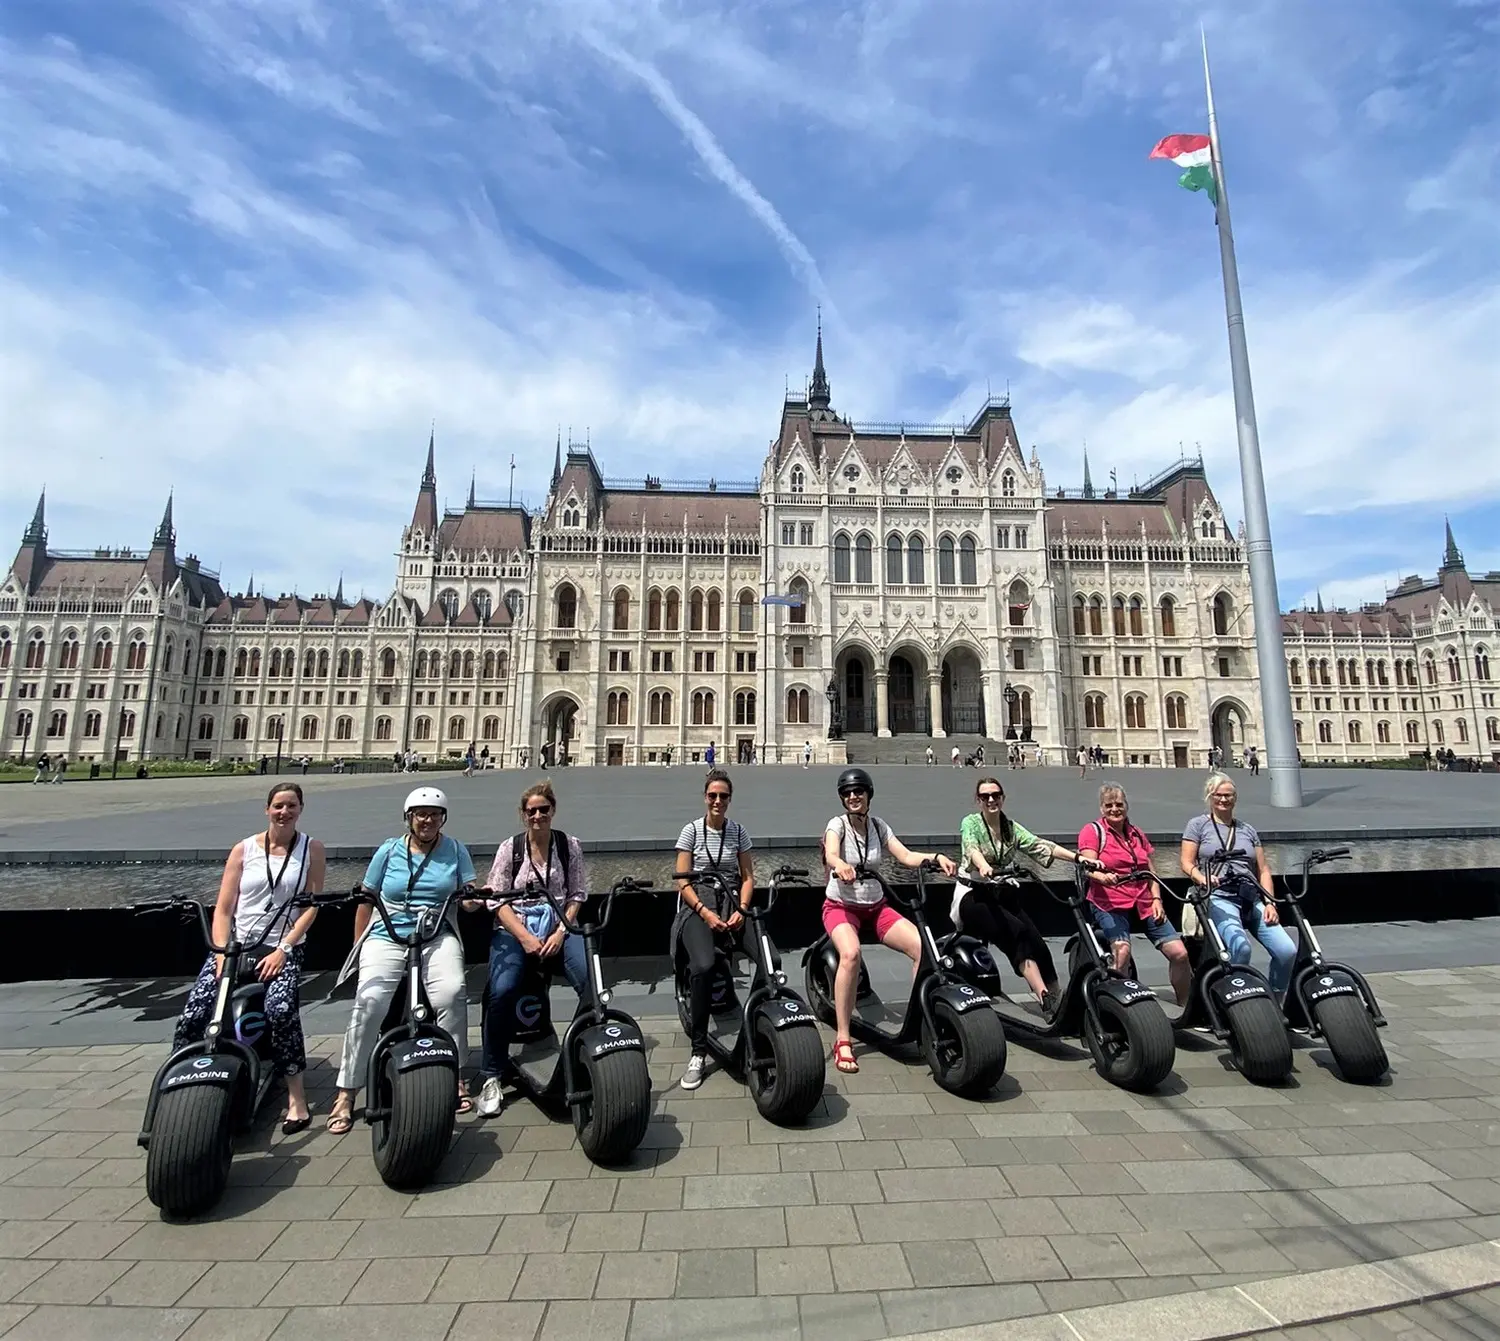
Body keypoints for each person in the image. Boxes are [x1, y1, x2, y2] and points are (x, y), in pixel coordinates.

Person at [173, 783, 325, 1132]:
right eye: (278, 806)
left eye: (291, 806)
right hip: (236, 948)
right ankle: (180, 1085)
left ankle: (296, 1098)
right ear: (267, 809)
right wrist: (221, 953)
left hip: (283, 947)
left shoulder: (311, 849)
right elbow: (224, 909)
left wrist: (284, 949)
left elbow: (311, 907)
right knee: (194, 1013)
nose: (284, 812)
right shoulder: (243, 850)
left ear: (301, 809)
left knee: (281, 1010)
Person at [327, 787, 474, 1134]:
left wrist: (474, 901)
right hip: (387, 935)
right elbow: (367, 899)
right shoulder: (387, 851)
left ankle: (456, 1075)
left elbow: (468, 894)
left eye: (434, 814)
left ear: (443, 819)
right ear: (408, 818)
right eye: (421, 814)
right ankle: (346, 1092)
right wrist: (360, 947)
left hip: (435, 933)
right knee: (369, 1001)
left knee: (452, 993)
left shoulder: (456, 850)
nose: (427, 820)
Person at [822, 767, 956, 1074]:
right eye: (848, 793)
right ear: (842, 798)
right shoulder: (837, 824)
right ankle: (843, 1037)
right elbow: (830, 852)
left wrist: (935, 858)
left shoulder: (879, 826)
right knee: (851, 954)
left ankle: (921, 1017)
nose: (854, 797)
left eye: (859, 792)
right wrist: (840, 863)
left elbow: (906, 856)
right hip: (841, 905)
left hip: (876, 906)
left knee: (924, 948)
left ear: (869, 794)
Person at [474, 781, 589, 1117]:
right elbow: (495, 899)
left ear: (553, 810)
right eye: (532, 811)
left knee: (590, 981)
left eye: (544, 809)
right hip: (515, 927)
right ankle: (492, 1075)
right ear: (523, 815)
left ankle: (578, 1052)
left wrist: (561, 931)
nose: (538, 815)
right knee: (503, 989)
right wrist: (524, 936)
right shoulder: (510, 849)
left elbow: (578, 893)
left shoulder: (569, 846)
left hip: (558, 926)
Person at [955, 777, 1086, 1018]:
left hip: (1001, 893)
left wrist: (1078, 858)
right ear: (978, 801)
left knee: (1037, 941)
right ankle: (1044, 998)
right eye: (985, 796)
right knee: (1017, 933)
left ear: (1002, 798)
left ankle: (1058, 998)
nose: (991, 800)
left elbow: (1040, 845)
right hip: (973, 895)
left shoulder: (1011, 828)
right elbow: (971, 848)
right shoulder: (971, 823)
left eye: (995, 795)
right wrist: (983, 866)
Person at [675, 769, 755, 1089]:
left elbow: (748, 877)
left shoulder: (738, 832)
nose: (718, 801)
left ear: (730, 799)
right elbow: (682, 880)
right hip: (700, 905)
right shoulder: (691, 832)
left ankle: (755, 1025)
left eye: (723, 796)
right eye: (712, 795)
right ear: (705, 798)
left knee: (770, 960)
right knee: (704, 966)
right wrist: (705, 913)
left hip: (733, 903)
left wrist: (743, 910)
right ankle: (698, 1051)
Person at [1180, 772, 1294, 997]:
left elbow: (1263, 869)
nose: (1224, 800)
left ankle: (1276, 997)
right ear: (1210, 797)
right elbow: (1186, 862)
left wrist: (1270, 903)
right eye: (1219, 795)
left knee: (1287, 951)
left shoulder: (1247, 830)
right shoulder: (1198, 825)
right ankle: (1236, 1000)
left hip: (1250, 897)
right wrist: (1203, 879)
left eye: (1229, 795)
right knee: (1240, 949)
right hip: (1219, 896)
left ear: (1235, 798)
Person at [1078, 783, 1191, 1006]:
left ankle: (1184, 1005)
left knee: (1180, 954)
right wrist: (1103, 877)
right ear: (1101, 808)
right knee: (1121, 953)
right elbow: (1087, 867)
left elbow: (1149, 870)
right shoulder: (1092, 832)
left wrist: (1157, 899)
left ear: (1126, 806)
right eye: (1109, 805)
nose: (1114, 809)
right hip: (1109, 901)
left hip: (1143, 900)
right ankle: (1117, 1007)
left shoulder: (1136, 833)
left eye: (1119, 804)